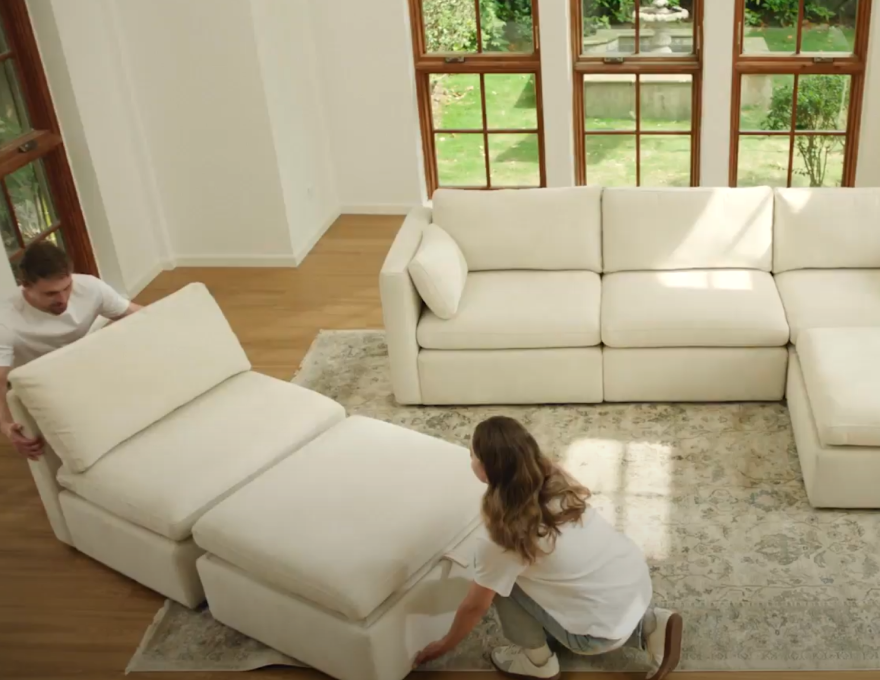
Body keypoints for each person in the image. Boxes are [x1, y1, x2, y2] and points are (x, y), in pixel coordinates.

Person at [414, 416, 683, 680]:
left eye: (472, 455)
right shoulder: (557, 480)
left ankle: (537, 662)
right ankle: (651, 624)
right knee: (535, 569)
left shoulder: (502, 537)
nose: (470, 460)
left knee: (500, 583)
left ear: (485, 469)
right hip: (635, 587)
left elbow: (474, 606)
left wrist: (444, 644)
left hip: (596, 637)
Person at [0, 242, 141, 459]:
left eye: (67, 288)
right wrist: (6, 427)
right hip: (39, 382)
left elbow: (138, 314)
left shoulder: (90, 288)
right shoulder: (5, 321)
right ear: (25, 285)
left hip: (82, 363)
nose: (63, 299)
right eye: (51, 294)